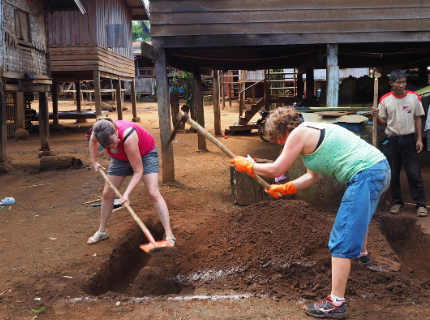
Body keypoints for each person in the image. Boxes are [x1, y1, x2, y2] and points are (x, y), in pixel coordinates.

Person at [230, 108, 390, 319]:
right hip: (377, 170)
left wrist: (250, 166)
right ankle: (362, 255)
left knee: (341, 236)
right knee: (358, 217)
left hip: (367, 174)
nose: (279, 143)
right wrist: (287, 188)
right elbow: (313, 177)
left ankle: (336, 303)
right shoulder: (310, 138)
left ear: (285, 129)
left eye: (278, 138)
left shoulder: (299, 132)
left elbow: (276, 170)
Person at [87, 117, 176, 245]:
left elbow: (138, 171)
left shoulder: (128, 136)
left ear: (115, 131)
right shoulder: (98, 133)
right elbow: (92, 141)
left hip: (145, 153)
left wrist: (126, 194)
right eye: (107, 145)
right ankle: (102, 231)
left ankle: (169, 234)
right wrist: (94, 162)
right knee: (107, 194)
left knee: (153, 193)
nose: (111, 146)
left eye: (112, 141)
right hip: (120, 158)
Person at [370, 69, 427, 217]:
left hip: (409, 139)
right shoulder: (385, 100)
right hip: (392, 141)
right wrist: (376, 115)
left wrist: (419, 138)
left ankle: (420, 204)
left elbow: (418, 118)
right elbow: (383, 123)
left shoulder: (414, 98)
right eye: (398, 82)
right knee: (393, 173)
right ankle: (397, 203)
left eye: (403, 82)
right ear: (391, 83)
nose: (402, 85)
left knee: (414, 173)